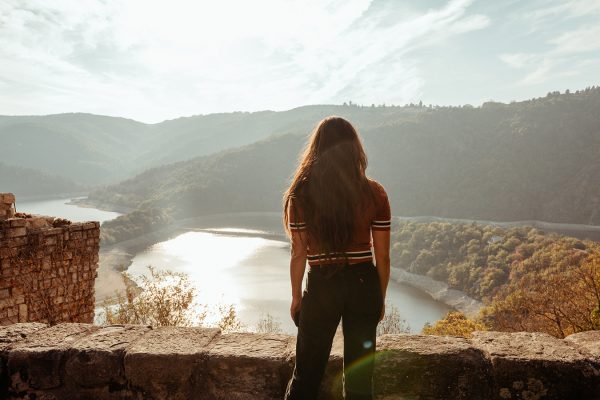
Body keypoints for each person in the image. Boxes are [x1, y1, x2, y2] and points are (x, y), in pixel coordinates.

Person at [282, 116, 391, 400]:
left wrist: (296, 297)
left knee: (305, 376)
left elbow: (298, 254)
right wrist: (379, 296)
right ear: (355, 149)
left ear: (316, 148)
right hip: (363, 283)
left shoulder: (300, 196)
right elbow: (383, 256)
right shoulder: (375, 194)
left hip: (322, 286)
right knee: (359, 383)